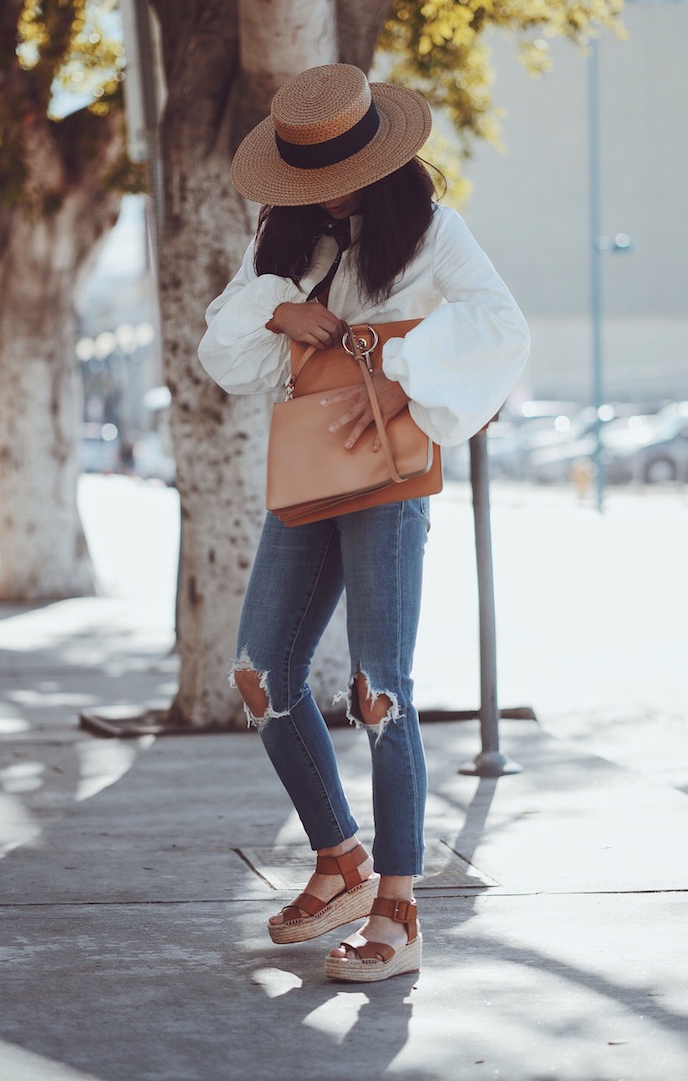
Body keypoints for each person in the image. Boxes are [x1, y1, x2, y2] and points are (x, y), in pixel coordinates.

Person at [198, 63, 529, 983]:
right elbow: (223, 345)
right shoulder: (289, 240)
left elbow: (502, 329)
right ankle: (340, 859)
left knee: (381, 690)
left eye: (331, 174)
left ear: (378, 159)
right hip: (308, 471)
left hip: (390, 476)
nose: (320, 192)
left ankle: (398, 905)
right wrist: (282, 307)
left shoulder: (431, 231)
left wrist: (397, 371)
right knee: (261, 673)